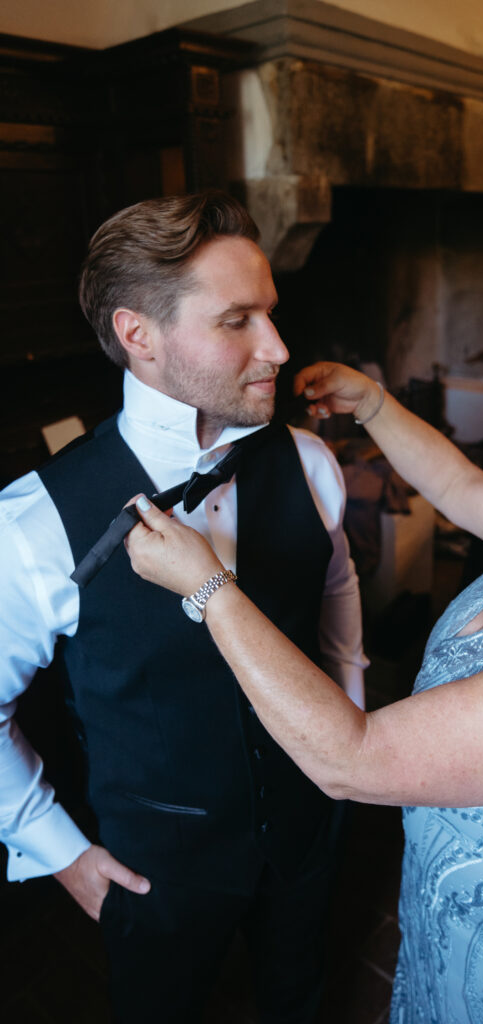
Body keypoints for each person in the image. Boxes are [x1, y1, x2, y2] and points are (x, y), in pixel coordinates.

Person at [125, 315, 483, 1023]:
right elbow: (453, 481)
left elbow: (350, 760)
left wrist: (208, 589)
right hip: (449, 922)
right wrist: (375, 404)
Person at [0, 191, 366, 1023]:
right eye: (237, 320)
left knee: (298, 996)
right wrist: (59, 853)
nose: (276, 347)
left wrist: (349, 721)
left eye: (270, 314)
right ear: (140, 336)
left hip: (310, 832)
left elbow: (334, 590)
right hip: (155, 873)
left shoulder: (309, 461)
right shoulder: (31, 525)